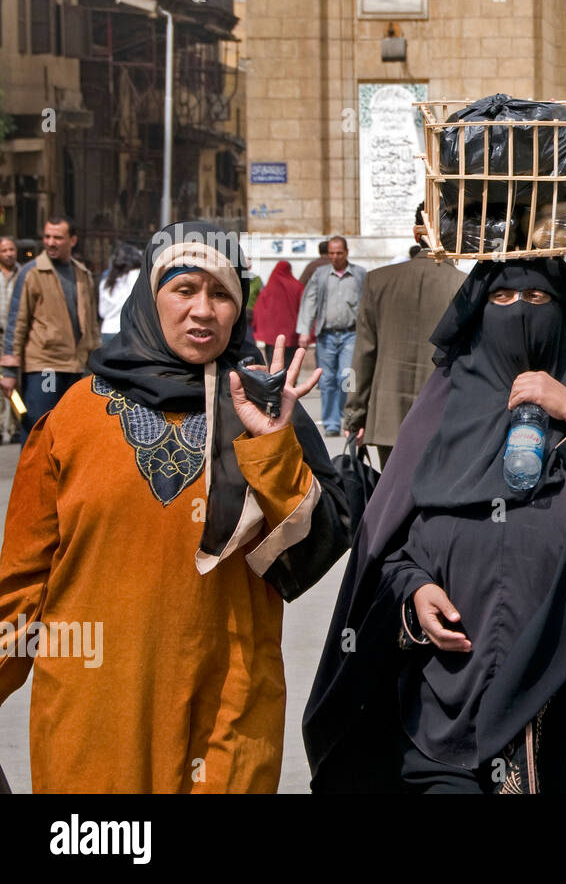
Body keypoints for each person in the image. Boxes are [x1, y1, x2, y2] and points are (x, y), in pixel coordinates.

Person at [303, 256, 566, 793]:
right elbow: (390, 542)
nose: (519, 315)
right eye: (502, 301)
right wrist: (415, 592)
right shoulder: (448, 397)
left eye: (537, 301)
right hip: (449, 708)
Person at [0, 220, 350, 793]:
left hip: (226, 714)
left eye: (221, 294)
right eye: (184, 289)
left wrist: (269, 446)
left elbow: (313, 554)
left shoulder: (267, 410)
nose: (203, 310)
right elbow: (22, 583)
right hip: (94, 717)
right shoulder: (72, 418)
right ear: (150, 296)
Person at [345, 204, 465, 466]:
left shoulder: (377, 281)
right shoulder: (464, 286)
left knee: (394, 498)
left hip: (388, 416)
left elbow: (362, 356)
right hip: (443, 416)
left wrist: (355, 416)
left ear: (416, 233)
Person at [1, 218, 101, 445]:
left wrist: (97, 362)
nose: (50, 242)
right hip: (44, 367)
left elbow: (92, 324)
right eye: (47, 237)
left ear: (72, 240)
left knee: (70, 434)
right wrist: (8, 370)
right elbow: (16, 321)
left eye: (57, 237)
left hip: (76, 367)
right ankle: (34, 481)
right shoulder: (32, 273)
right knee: (41, 430)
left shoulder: (82, 274)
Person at [297, 235, 366, 437]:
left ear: (346, 253)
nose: (335, 257)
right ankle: (331, 423)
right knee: (326, 380)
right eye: (331, 253)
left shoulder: (360, 274)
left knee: (346, 376)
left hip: (351, 334)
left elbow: (368, 302)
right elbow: (309, 301)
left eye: (339, 253)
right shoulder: (320, 274)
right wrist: (304, 330)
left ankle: (347, 416)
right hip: (326, 335)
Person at [251, 261, 305, 373]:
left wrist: (258, 329)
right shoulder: (297, 286)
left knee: (273, 366)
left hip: (272, 336)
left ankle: (275, 387)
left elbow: (259, 309)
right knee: (290, 366)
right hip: (291, 335)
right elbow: (304, 309)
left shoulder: (268, 289)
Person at [98, 243, 144, 345]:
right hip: (128, 331)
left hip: (107, 330)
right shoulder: (137, 275)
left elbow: (102, 312)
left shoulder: (107, 280)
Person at [0, 237, 19, 442]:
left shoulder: (23, 275)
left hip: (14, 339)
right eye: (4, 250)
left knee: (14, 385)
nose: (9, 253)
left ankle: (14, 426)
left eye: (11, 249)